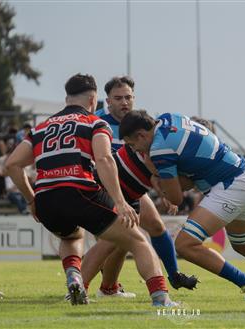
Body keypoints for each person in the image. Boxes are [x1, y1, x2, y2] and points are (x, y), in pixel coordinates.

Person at [5, 73, 177, 307]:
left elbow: (12, 165)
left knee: (72, 235)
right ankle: (161, 298)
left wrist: (31, 199)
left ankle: (75, 276)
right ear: (94, 99)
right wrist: (120, 201)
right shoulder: (95, 123)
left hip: (45, 199)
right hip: (80, 192)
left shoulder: (40, 128)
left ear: (67, 98)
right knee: (138, 241)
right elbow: (105, 159)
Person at [120, 111, 245, 301]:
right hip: (244, 175)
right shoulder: (169, 118)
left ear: (142, 135)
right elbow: (190, 180)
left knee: (185, 244)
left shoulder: (159, 150)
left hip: (231, 185)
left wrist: (154, 171)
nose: (135, 151)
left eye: (132, 145)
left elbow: (176, 198)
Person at [81, 76, 197, 298]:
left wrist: (164, 190)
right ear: (108, 101)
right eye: (118, 98)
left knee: (151, 227)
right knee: (116, 240)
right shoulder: (96, 123)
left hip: (132, 188)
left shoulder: (142, 124)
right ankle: (88, 285)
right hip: (104, 187)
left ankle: (171, 275)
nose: (124, 102)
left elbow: (152, 163)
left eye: (128, 97)